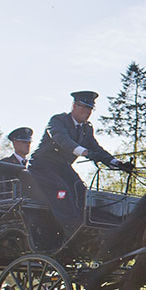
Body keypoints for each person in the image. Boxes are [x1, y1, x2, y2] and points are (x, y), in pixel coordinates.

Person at [28, 91, 133, 238]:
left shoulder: (86, 128)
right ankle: (72, 229)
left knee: (81, 190)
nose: (87, 112)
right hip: (42, 165)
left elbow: (97, 149)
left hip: (62, 166)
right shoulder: (58, 121)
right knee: (62, 191)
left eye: (90, 109)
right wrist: (86, 153)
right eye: (84, 107)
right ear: (74, 106)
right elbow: (63, 141)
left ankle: (87, 226)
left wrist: (117, 163)